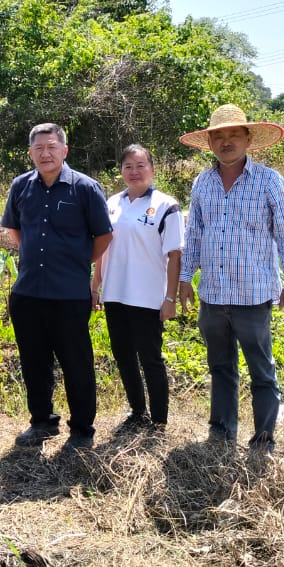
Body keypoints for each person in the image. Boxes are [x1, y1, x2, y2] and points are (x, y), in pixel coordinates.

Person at [176, 104, 284, 455]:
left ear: (248, 139)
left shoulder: (269, 181)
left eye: (234, 135)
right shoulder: (203, 183)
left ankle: (263, 440)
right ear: (210, 142)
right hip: (213, 296)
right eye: (219, 136)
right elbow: (196, 234)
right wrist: (185, 278)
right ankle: (221, 435)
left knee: (261, 371)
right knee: (220, 368)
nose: (226, 142)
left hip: (254, 295)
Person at [2, 123, 113, 450]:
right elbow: (16, 231)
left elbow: (104, 236)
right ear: (31, 152)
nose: (45, 153)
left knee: (76, 362)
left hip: (69, 294)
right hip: (28, 293)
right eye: (39, 148)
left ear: (64, 151)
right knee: (33, 362)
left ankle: (81, 429)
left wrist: (77, 262)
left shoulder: (85, 188)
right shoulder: (21, 186)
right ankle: (42, 422)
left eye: (52, 147)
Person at [91, 144, 183, 435]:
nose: (134, 172)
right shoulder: (111, 204)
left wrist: (170, 297)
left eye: (141, 165)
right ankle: (136, 410)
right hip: (115, 293)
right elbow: (102, 248)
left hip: (147, 297)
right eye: (128, 166)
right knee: (123, 355)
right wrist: (96, 284)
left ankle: (159, 421)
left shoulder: (167, 206)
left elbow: (175, 256)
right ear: (121, 171)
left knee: (151, 358)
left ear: (153, 170)